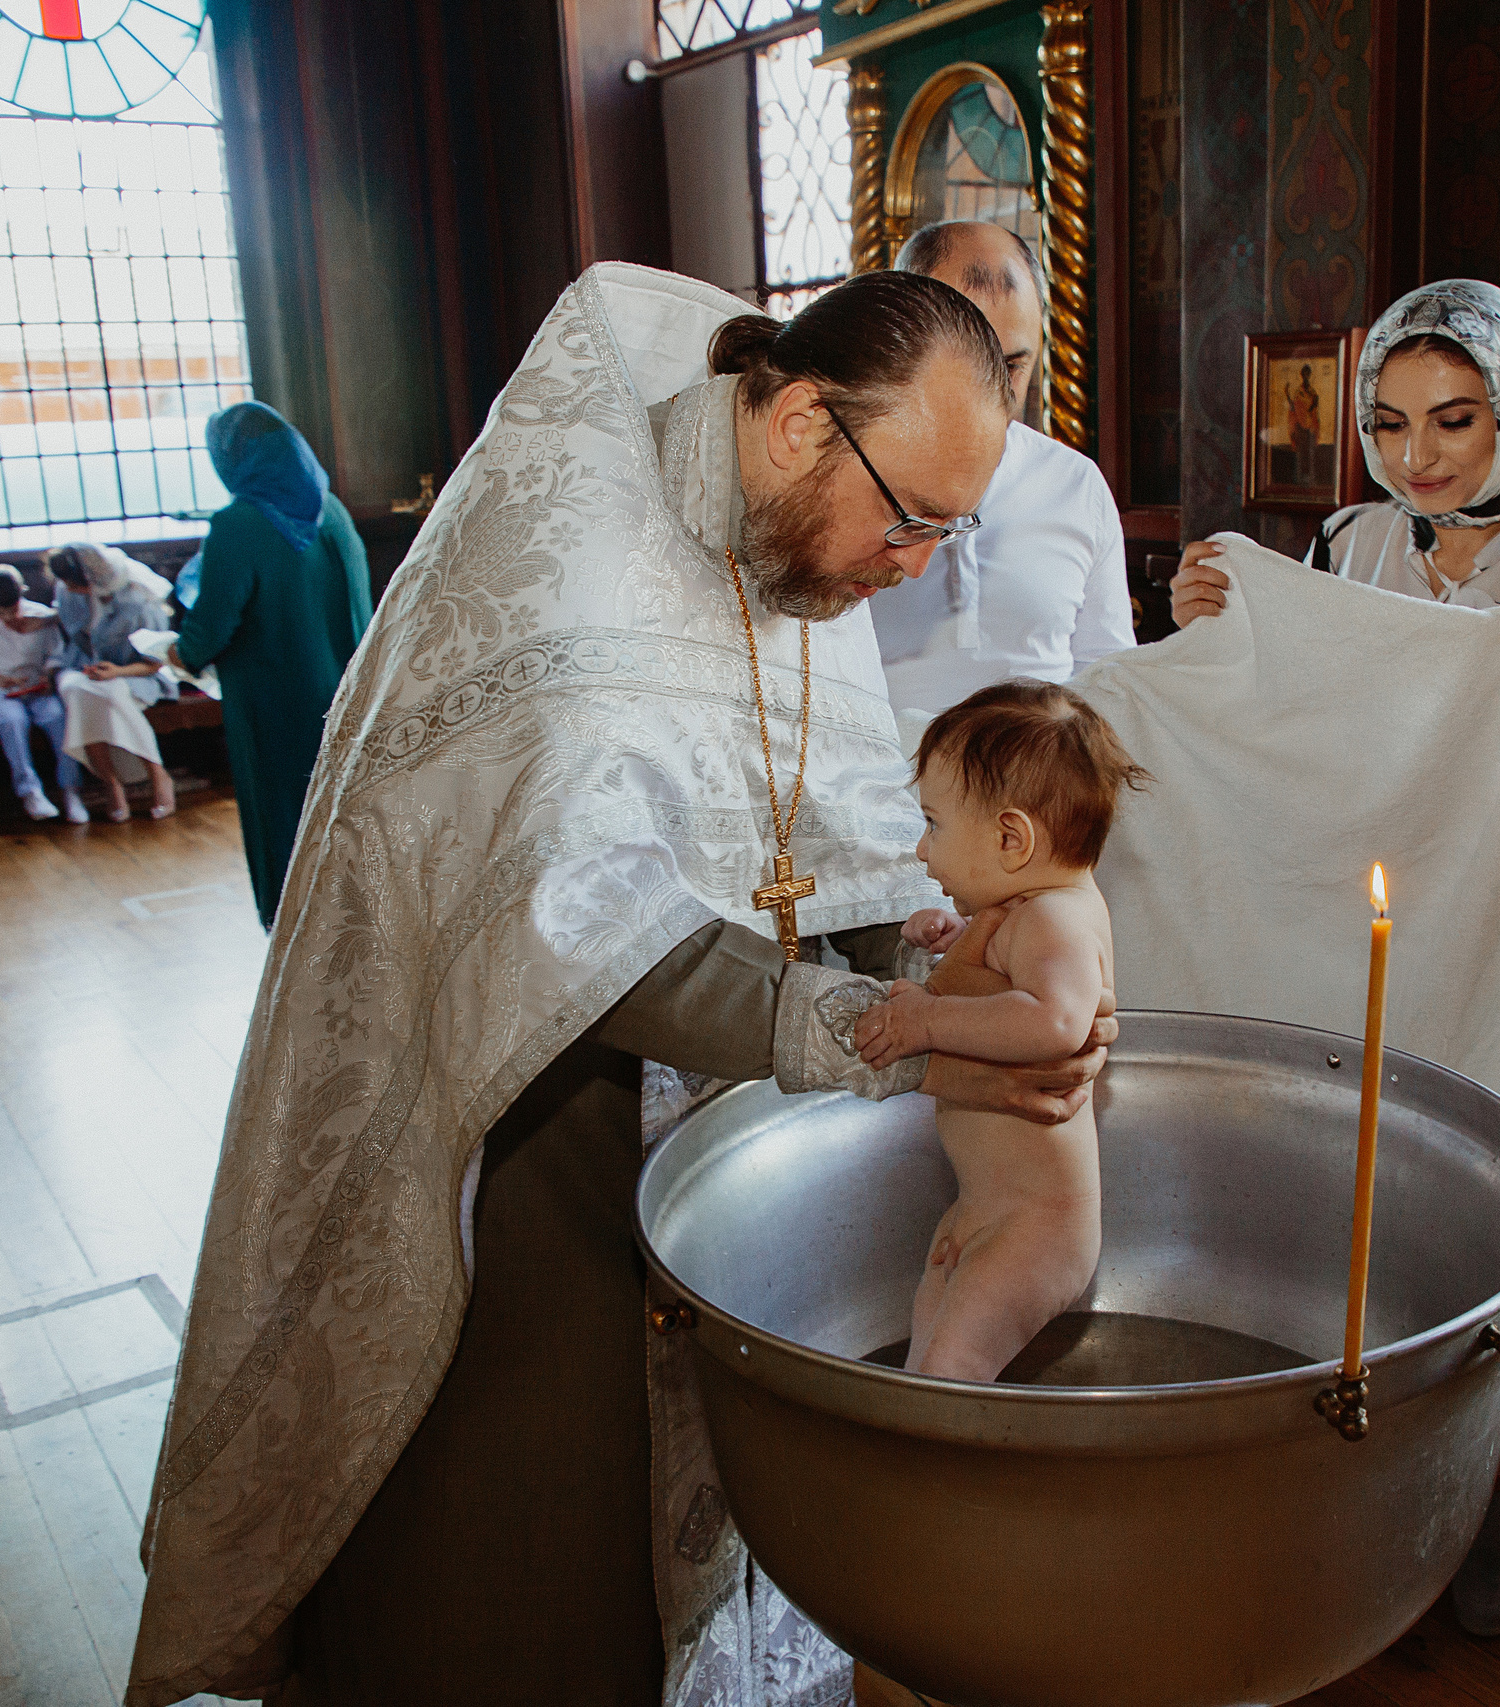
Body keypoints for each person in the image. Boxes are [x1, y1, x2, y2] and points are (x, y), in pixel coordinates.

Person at [129, 264, 1120, 1707]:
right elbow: (569, 909)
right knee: (535, 1564)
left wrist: (975, 966)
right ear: (794, 426)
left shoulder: (806, 543)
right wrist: (881, 1030)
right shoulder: (568, 551)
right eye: (910, 520)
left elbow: (833, 829)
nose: (914, 567)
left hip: (731, 1125)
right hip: (525, 1128)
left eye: (948, 532)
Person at [1169, 277, 1500, 1636]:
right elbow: (1302, 740)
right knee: (1371, 1215)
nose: (1422, 455)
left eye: (1459, 420)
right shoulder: (1353, 544)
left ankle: (1498, 1499)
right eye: (1394, 421)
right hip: (1387, 938)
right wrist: (1218, 639)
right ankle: (1372, 1488)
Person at [855, 680, 1144, 1381]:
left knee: (949, 1373)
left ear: (1011, 838)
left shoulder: (1059, 918)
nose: (923, 850)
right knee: (927, 1369)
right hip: (986, 1209)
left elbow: (1054, 1019)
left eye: (934, 825)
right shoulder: (1030, 907)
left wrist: (928, 1018)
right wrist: (953, 944)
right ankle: (921, 1484)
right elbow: (1009, 984)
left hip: (1038, 1229)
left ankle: (958, 1488)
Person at [876, 221, 1133, 715]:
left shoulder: (1076, 485)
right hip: (876, 783)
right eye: (973, 362)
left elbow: (1109, 678)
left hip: (1039, 787)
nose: (995, 396)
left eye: (1014, 366)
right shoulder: (850, 477)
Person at [168, 401, 372, 924]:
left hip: (273, 702)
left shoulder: (240, 522)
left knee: (283, 819)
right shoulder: (332, 509)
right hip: (350, 697)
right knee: (344, 816)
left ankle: (293, 938)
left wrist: (177, 653)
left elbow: (208, 630)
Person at [45, 542, 179, 822]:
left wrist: (116, 672)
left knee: (113, 692)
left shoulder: (139, 600)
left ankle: (157, 774)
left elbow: (155, 662)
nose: (69, 590)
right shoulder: (67, 591)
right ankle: (111, 782)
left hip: (137, 674)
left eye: (75, 585)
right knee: (74, 689)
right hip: (83, 669)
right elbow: (72, 639)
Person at [0, 565, 83, 822]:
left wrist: (47, 676)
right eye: (0, 611)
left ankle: (70, 790)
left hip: (37, 688)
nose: (8, 616)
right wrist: (0, 679)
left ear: (23, 592)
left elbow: (55, 653)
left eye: (13, 608)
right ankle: (30, 792)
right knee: (13, 722)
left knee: (57, 719)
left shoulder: (40, 615)